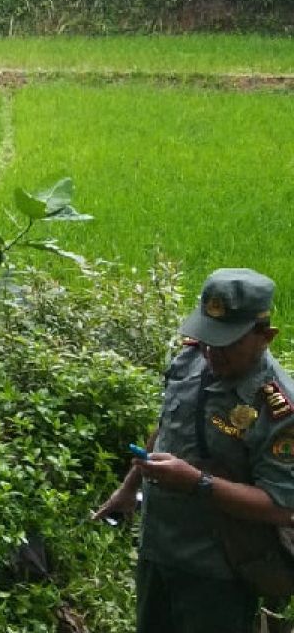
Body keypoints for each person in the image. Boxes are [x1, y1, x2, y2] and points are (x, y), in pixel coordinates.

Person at [94, 268, 294, 633]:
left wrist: (197, 483)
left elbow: (282, 507)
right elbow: (170, 425)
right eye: (207, 338)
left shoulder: (276, 408)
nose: (212, 352)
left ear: (264, 337)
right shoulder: (190, 360)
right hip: (158, 548)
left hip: (218, 572)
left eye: (228, 342)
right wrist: (128, 488)